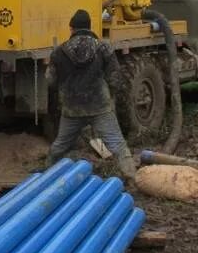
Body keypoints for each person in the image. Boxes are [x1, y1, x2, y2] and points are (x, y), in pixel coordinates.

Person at [45, 9, 137, 180]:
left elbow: (50, 80)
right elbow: (115, 78)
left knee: (60, 145)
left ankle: (46, 175)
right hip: (99, 106)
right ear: (89, 27)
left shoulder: (59, 52)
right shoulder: (103, 48)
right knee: (117, 144)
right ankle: (132, 178)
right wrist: (111, 96)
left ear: (71, 29)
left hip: (72, 108)